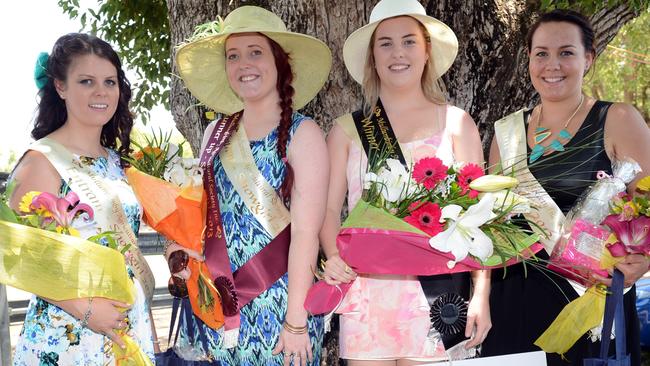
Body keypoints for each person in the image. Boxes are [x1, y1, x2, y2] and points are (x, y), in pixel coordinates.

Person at [319, 0, 491, 364]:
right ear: (373, 56)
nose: (398, 53)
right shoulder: (346, 130)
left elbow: (479, 218)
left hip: (438, 296)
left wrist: (481, 294)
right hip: (367, 295)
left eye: (409, 41)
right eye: (385, 43)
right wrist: (332, 255)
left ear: (427, 50)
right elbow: (330, 209)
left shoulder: (457, 123)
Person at [483, 9, 650, 366]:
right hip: (513, 297)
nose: (552, 64)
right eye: (541, 53)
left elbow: (647, 203)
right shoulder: (505, 133)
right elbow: (493, 222)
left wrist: (643, 260)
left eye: (566, 52)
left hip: (588, 299)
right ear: (528, 59)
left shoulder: (617, 119)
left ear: (588, 58)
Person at [170, 5, 331, 365]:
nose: (244, 64)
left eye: (255, 52)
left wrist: (295, 322)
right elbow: (205, 215)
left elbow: (306, 233)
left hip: (281, 305)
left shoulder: (303, 134)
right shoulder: (216, 132)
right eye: (233, 55)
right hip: (219, 304)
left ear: (279, 62)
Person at [9, 33, 157, 365]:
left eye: (110, 81)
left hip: (125, 330)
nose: (101, 92)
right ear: (61, 87)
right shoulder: (42, 160)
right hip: (67, 335)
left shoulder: (117, 163)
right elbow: (18, 257)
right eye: (86, 81)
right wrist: (86, 310)